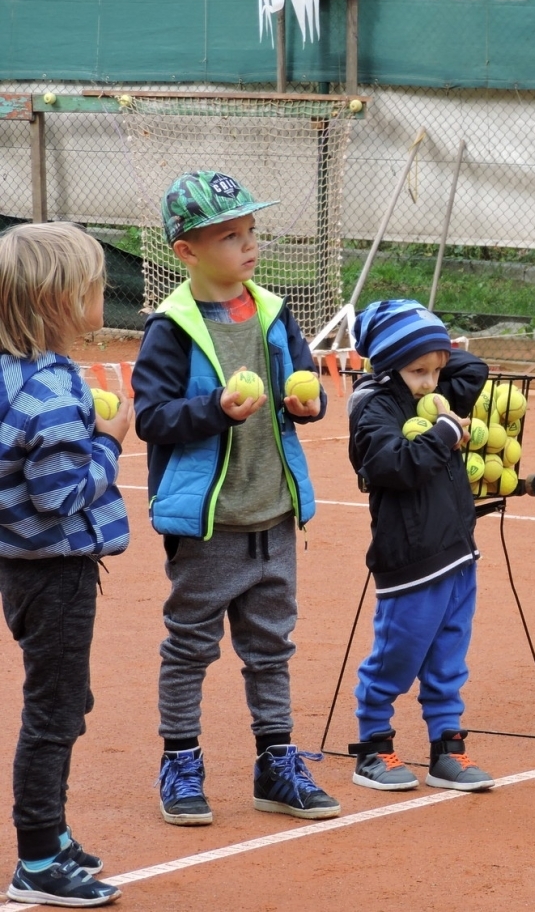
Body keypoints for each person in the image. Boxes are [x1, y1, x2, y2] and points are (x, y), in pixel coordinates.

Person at [134, 171, 339, 824]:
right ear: (186, 252)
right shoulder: (170, 329)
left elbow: (304, 391)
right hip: (209, 523)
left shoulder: (277, 315)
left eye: (251, 231)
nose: (248, 245)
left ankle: (276, 763)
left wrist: (310, 405)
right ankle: (180, 759)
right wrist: (216, 409)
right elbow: (153, 419)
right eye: (230, 236)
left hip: (273, 514)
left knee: (271, 647)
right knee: (190, 646)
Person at [0, 224, 131, 908]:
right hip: (55, 573)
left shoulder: (10, 374)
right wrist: (108, 444)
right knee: (54, 712)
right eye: (95, 287)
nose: (102, 296)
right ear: (59, 300)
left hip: (20, 570)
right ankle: (39, 858)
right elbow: (61, 496)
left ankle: (51, 834)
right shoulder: (51, 391)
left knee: (65, 701)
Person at [346, 299, 495, 792]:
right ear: (387, 367)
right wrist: (444, 432)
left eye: (437, 369)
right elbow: (393, 466)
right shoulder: (375, 406)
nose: (432, 382)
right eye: (418, 371)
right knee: (397, 656)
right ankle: (373, 746)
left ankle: (446, 748)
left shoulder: (428, 393)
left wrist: (437, 352)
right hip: (410, 560)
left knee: (449, 658)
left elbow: (475, 369)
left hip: (456, 551)